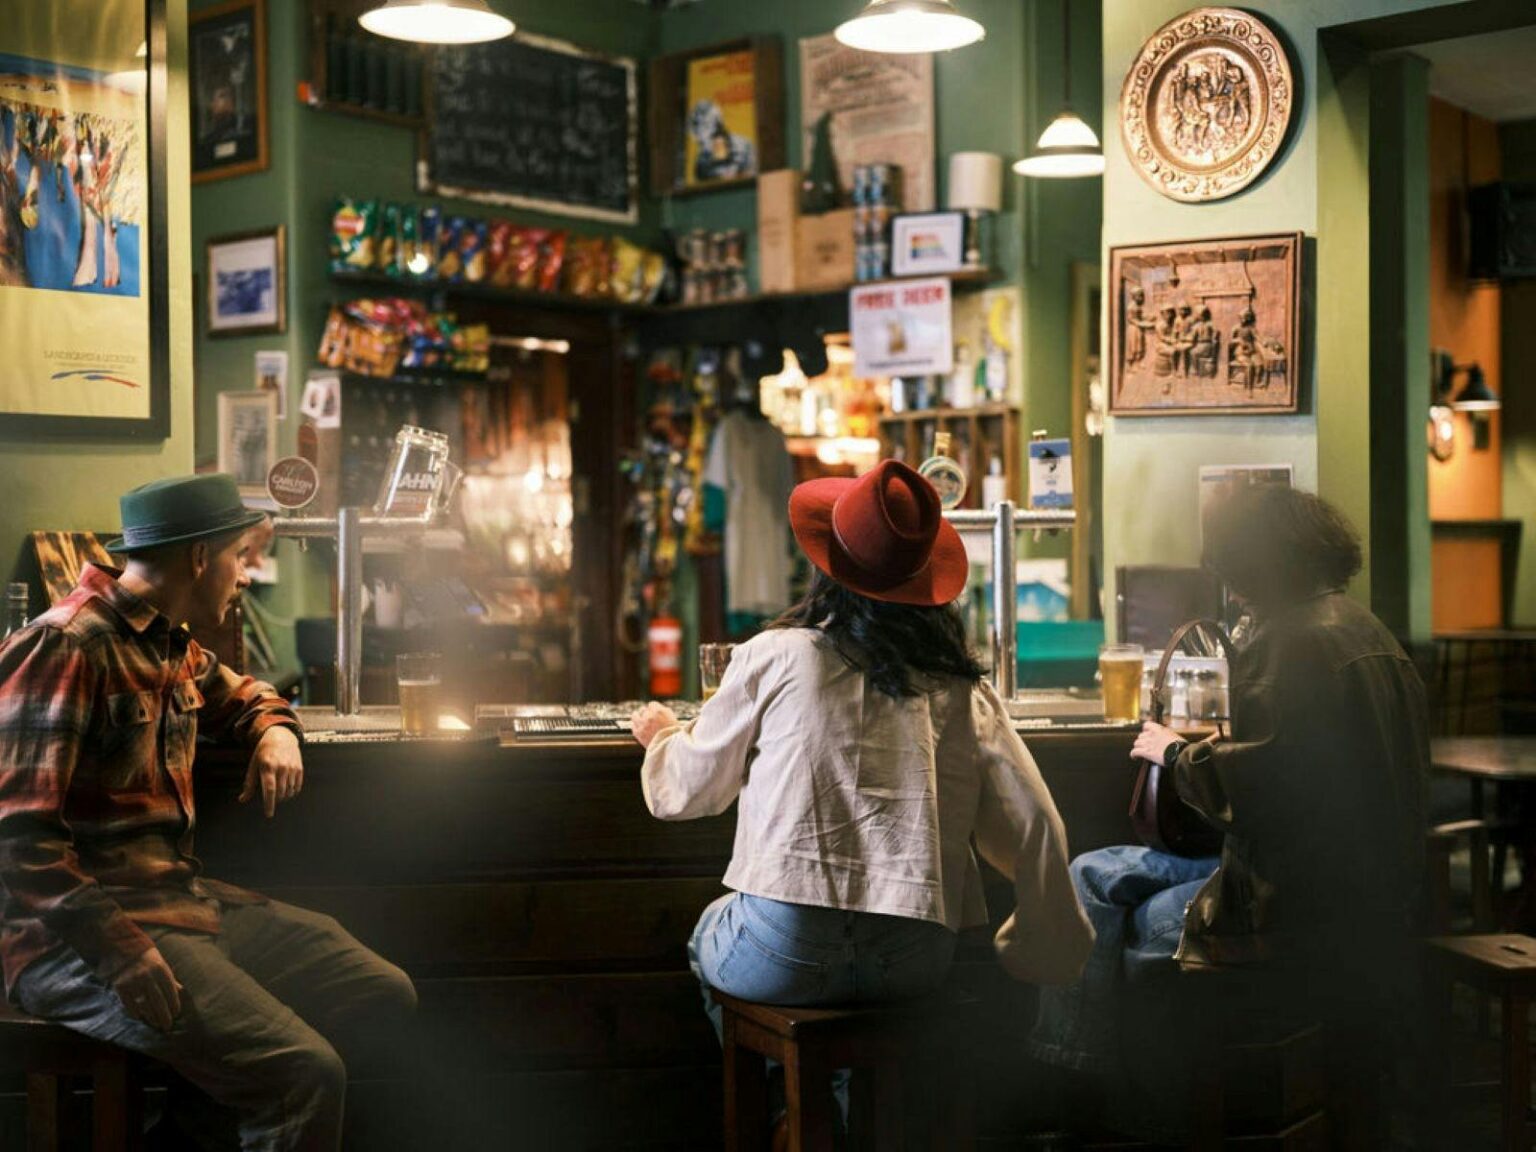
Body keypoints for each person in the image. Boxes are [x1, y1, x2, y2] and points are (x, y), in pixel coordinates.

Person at [630, 459, 1094, 1133]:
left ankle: (797, 1117)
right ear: (925, 582)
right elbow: (1037, 825)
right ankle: (841, 1115)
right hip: (914, 959)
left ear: (827, 568)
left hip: (782, 953)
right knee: (859, 1018)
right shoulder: (959, 688)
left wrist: (664, 737)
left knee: (709, 939)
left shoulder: (776, 654)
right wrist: (1039, 942)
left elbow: (687, 791)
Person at [0, 473, 417, 1152]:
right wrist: (123, 955)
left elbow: (247, 695)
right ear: (198, 558)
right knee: (303, 1076)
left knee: (379, 991)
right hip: (78, 945)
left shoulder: (170, 643)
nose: (245, 576)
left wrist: (274, 728)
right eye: (239, 556)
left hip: (181, 908)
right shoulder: (66, 646)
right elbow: (18, 842)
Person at [1028, 485, 1429, 1145]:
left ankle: (1109, 1110)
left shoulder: (1289, 643)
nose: (1230, 588)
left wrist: (1176, 753)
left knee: (1128, 935)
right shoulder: (1367, 630)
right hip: (1361, 895)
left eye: (1236, 572)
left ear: (1263, 564)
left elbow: (1262, 789)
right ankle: (1081, 1083)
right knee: (1090, 878)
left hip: (1287, 907)